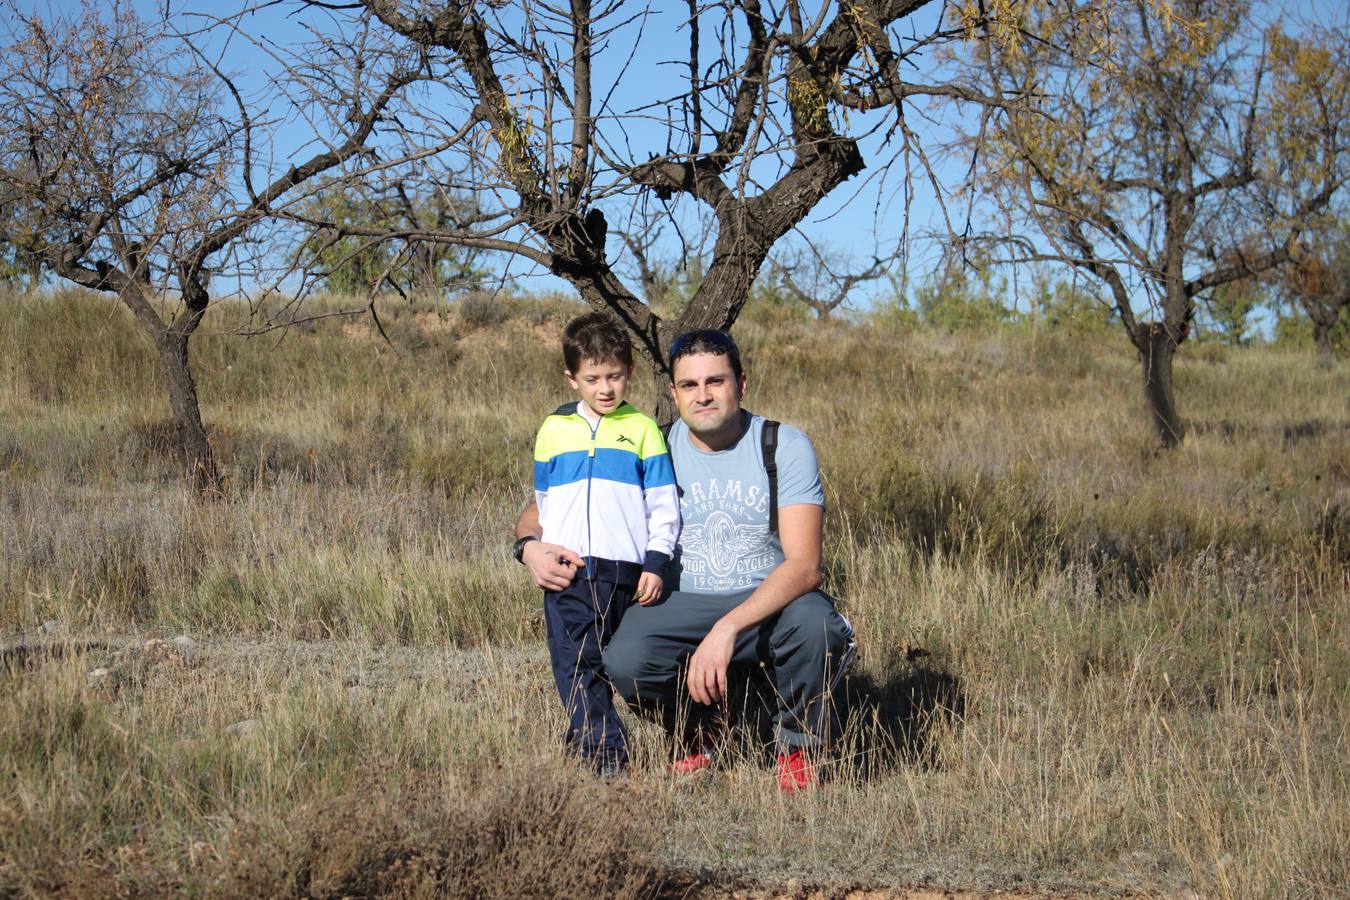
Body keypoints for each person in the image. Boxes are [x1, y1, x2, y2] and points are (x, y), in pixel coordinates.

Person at [517, 329, 854, 793]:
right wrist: (528, 547)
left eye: (716, 381)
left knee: (819, 627)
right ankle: (700, 727)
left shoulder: (782, 445)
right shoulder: (653, 444)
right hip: (683, 599)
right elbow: (542, 511)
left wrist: (727, 628)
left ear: (742, 384)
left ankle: (798, 746)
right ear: (673, 393)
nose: (704, 395)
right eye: (690, 386)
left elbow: (805, 567)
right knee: (625, 657)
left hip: (768, 599)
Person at [514, 312, 679, 777]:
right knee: (574, 662)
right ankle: (605, 755)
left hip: (626, 571)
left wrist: (655, 562)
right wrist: (539, 548)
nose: (605, 388)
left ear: (629, 372)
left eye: (615, 376)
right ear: (572, 379)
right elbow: (544, 501)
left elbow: (664, 507)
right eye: (593, 378)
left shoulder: (644, 430)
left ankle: (596, 743)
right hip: (569, 568)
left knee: (611, 665)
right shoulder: (552, 431)